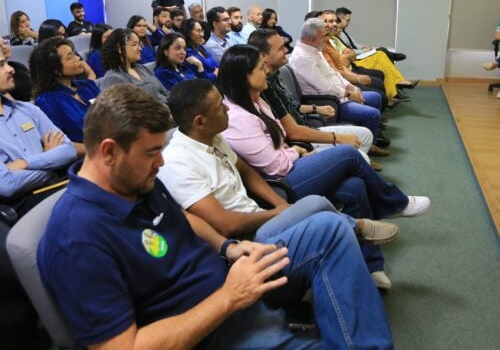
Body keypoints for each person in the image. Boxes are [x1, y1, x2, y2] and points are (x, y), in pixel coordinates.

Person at [38, 83, 394, 349]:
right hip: (211, 333)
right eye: (151, 153)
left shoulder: (134, 182)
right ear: (109, 152)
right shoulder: (77, 239)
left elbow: (180, 216)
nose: (160, 163)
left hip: (231, 287)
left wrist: (227, 248)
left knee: (327, 229)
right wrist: (229, 298)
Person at [217, 45, 431, 288]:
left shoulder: (256, 101)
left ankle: (371, 265)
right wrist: (296, 152)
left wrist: (294, 151)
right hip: (280, 183)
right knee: (350, 155)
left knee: (355, 186)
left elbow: (280, 144)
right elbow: (275, 166)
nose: (266, 70)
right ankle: (395, 202)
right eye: (260, 68)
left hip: (290, 167)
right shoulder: (237, 117)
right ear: (243, 76)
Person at [0, 46, 75, 349]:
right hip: (22, 207)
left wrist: (30, 163)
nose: (11, 70)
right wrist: (49, 160)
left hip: (60, 185)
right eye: (2, 64)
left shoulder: (28, 109)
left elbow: (68, 149)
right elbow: (5, 185)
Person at [248, 29, 387, 167]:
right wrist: (338, 138)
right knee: (359, 155)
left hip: (308, 123)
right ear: (264, 56)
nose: (286, 50)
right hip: (301, 138)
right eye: (281, 48)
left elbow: (294, 105)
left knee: (366, 136)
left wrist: (317, 108)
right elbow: (293, 131)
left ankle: (354, 168)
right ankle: (356, 168)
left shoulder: (276, 73)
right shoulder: (264, 86)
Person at [289, 18, 389, 147]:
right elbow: (324, 88)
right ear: (309, 39)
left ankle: (373, 140)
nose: (326, 39)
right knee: (373, 114)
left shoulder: (314, 50)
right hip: (329, 102)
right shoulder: (302, 58)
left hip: (340, 95)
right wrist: (347, 94)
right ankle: (369, 149)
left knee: (375, 97)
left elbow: (334, 73)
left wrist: (350, 86)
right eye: (323, 36)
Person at [30, 37, 100, 157]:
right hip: (86, 158)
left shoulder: (88, 86)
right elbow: (60, 144)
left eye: (75, 54)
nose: (78, 59)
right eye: (70, 57)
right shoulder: (47, 101)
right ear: (56, 70)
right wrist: (99, 150)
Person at [100, 28, 169, 103]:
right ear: (119, 48)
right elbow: (123, 111)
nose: (140, 48)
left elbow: (165, 91)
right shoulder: (112, 79)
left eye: (139, 44)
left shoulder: (142, 68)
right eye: (134, 44)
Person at [336, 7, 407, 63]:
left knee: (383, 52)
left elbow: (355, 44)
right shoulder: (338, 34)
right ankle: (393, 56)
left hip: (359, 54)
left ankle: (398, 78)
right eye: (347, 20)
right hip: (355, 58)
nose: (348, 23)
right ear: (340, 18)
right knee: (382, 51)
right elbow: (349, 50)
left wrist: (364, 47)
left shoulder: (343, 32)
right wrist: (364, 51)